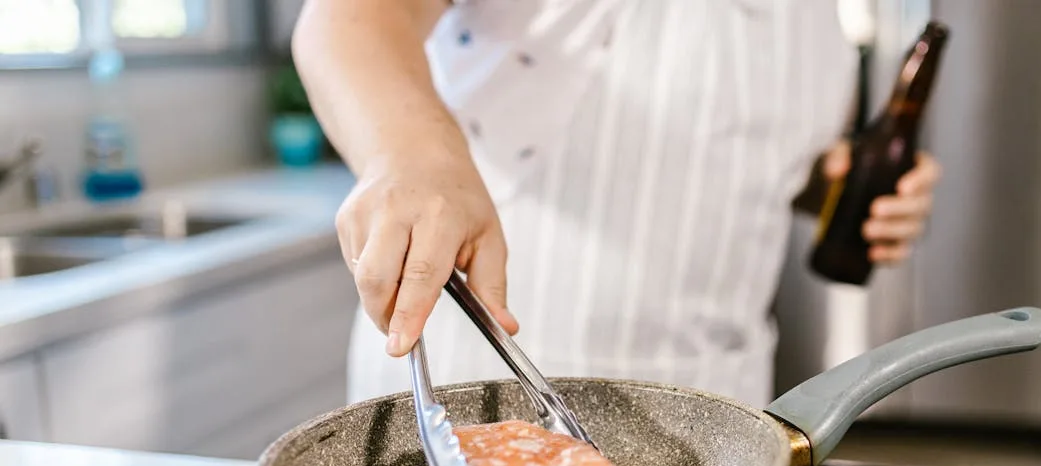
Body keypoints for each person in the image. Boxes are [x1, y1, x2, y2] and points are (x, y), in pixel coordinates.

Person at [292, 0, 943, 408]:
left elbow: (748, 163)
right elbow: (349, 20)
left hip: (719, 415)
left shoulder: (817, 16)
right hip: (489, 397)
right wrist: (411, 154)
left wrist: (838, 191)